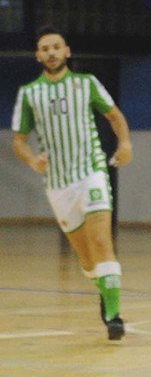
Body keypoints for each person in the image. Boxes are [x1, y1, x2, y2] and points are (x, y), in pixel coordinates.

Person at [12, 25, 133, 340]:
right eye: (45, 48)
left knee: (102, 243)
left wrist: (125, 143)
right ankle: (104, 292)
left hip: (91, 171)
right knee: (87, 259)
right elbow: (19, 141)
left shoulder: (86, 84)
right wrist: (30, 158)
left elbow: (115, 116)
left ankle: (113, 315)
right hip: (58, 183)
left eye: (56, 46)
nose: (51, 52)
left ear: (67, 51)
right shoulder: (29, 94)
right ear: (39, 56)